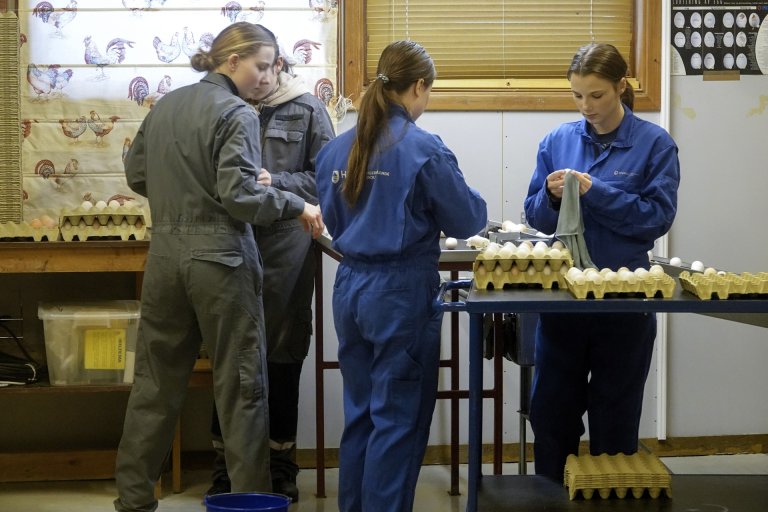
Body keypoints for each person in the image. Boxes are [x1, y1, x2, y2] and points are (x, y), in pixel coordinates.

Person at [114, 22, 324, 512]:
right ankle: (249, 503)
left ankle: (133, 499)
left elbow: (137, 172)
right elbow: (241, 196)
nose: (269, 75)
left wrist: (180, 198)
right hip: (221, 259)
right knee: (241, 387)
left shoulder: (166, 105)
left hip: (165, 257)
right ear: (233, 62)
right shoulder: (236, 112)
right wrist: (296, 205)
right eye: (262, 64)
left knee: (154, 384)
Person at [315, 40, 488, 512]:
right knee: (398, 417)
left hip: (349, 286)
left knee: (363, 415)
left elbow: (333, 219)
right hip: (399, 291)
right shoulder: (422, 149)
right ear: (418, 87)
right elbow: (468, 220)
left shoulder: (335, 150)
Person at [523, 42, 680, 481]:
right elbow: (534, 216)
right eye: (577, 95)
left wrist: (598, 193)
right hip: (563, 303)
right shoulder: (557, 141)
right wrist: (551, 197)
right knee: (552, 418)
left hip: (624, 303)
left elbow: (657, 219)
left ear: (621, 87)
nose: (586, 106)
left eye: (597, 95)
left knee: (615, 423)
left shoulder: (654, 145)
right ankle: (551, 501)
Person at [206, 34, 335, 501]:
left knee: (282, 355)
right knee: (230, 357)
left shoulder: (307, 109)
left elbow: (328, 181)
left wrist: (275, 180)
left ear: (279, 64)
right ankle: (226, 467)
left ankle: (281, 464)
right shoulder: (218, 104)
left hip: (287, 253)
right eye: (253, 69)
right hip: (228, 246)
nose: (260, 79)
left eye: (267, 68)